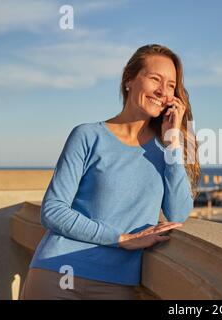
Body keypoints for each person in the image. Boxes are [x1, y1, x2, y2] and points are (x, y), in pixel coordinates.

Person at [20, 44, 201, 300]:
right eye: (154, 79)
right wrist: (121, 238)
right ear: (129, 80)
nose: (162, 91)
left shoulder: (166, 152)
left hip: (117, 285)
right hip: (55, 274)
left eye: (171, 85)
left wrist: (172, 142)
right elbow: (53, 211)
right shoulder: (87, 135)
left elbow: (178, 213)